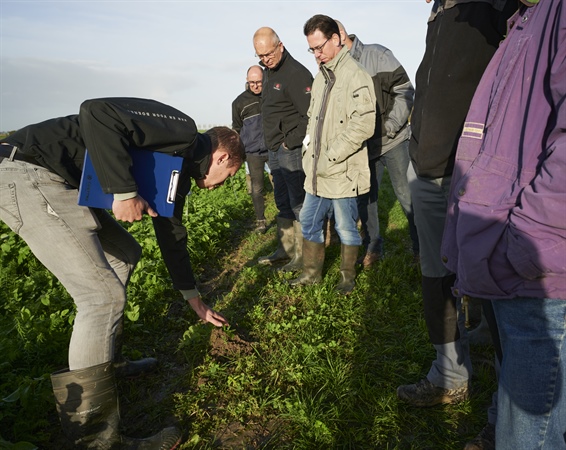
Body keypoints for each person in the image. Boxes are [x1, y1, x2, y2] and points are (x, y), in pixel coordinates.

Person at [0, 97, 244, 449]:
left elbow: (171, 234)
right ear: (222, 158)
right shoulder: (184, 133)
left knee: (125, 253)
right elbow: (96, 112)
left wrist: (194, 299)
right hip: (29, 171)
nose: (222, 184)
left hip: (59, 180)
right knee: (100, 298)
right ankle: (97, 438)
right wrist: (125, 192)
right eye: (229, 176)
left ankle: (103, 363)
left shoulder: (180, 168)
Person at [442, 1, 565, 448]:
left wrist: (528, 239)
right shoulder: (526, 22)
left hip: (537, 269)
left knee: (527, 436)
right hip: (514, 255)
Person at [397, 1, 516, 448]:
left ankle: (505, 414)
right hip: (426, 169)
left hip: (476, 172)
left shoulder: (491, 5)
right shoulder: (438, 10)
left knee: (499, 286)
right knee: (435, 277)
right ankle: (448, 375)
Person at [289, 14, 376, 295]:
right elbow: (312, 121)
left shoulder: (356, 76)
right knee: (308, 221)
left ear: (337, 39)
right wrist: (308, 152)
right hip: (316, 171)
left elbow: (364, 124)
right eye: (312, 49)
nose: (317, 54)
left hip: (341, 171)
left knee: (345, 227)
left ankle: (347, 280)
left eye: (320, 47)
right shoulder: (320, 78)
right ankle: (311, 275)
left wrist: (331, 155)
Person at [336, 21, 418, 268]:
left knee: (407, 195)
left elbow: (404, 90)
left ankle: (421, 249)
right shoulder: (337, 69)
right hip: (361, 149)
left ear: (339, 37)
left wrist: (391, 126)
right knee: (366, 200)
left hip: (393, 141)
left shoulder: (378, 55)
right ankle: (372, 247)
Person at [253, 26, 313, 272]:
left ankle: (303, 256)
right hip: (274, 148)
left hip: (290, 148)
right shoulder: (269, 72)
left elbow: (309, 113)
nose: (265, 60)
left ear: (280, 45)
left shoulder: (296, 73)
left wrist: (292, 140)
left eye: (269, 54)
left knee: (298, 200)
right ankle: (285, 249)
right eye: (260, 57)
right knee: (282, 200)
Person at [232, 65, 271, 233]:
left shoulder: (271, 95)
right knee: (257, 188)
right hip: (253, 152)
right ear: (247, 82)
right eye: (252, 82)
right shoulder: (239, 102)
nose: (255, 86)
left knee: (282, 183)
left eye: (259, 82)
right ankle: (261, 221)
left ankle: (288, 217)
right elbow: (237, 129)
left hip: (273, 148)